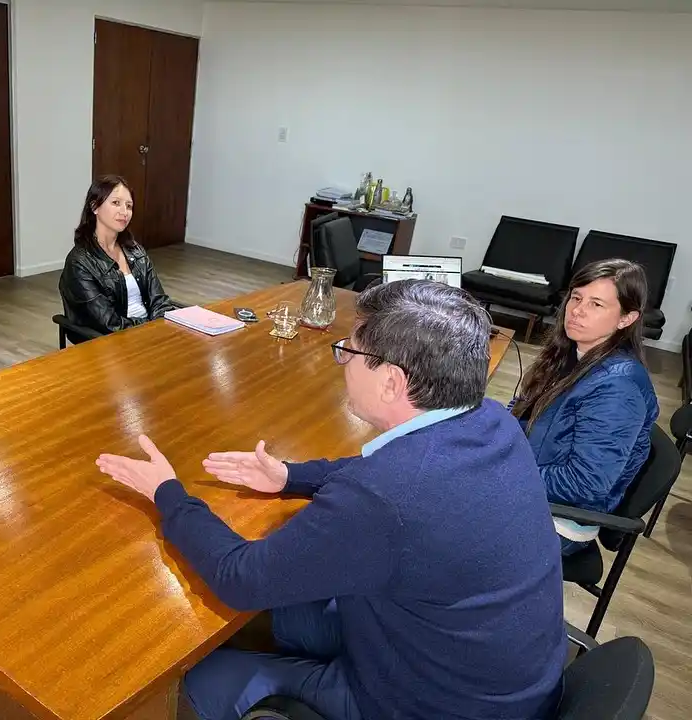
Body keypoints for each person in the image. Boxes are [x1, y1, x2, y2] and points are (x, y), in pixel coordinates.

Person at [96, 280, 566, 720]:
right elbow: (379, 474)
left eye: (350, 352)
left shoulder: (384, 495)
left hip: (429, 704)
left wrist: (168, 494)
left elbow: (241, 578)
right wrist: (289, 476)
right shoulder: (491, 420)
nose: (342, 362)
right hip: (490, 674)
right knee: (275, 615)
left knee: (201, 680)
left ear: (391, 382)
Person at [511, 259, 658, 555]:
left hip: (557, 520)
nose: (577, 311)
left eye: (596, 304)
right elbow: (525, 411)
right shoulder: (574, 353)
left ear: (626, 319)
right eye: (576, 298)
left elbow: (585, 484)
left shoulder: (618, 387)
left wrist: (501, 473)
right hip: (530, 487)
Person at [58, 176, 174, 336]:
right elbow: (110, 324)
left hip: (150, 332)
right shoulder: (79, 262)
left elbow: (160, 301)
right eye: (116, 203)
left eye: (129, 206)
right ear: (95, 207)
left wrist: (160, 327)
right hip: (114, 341)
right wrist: (151, 327)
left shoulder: (135, 251)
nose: (124, 212)